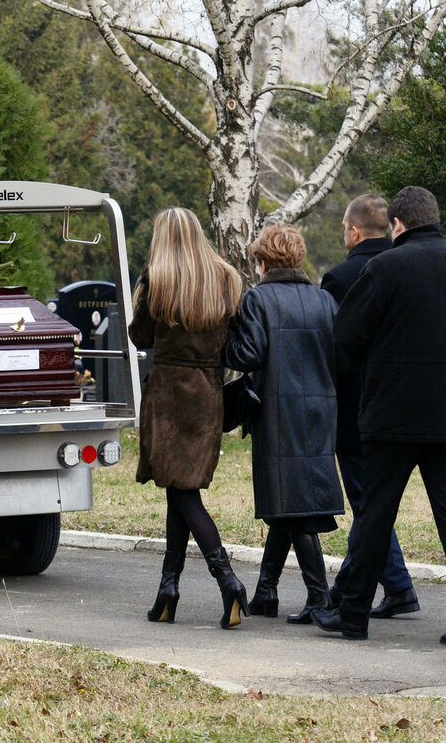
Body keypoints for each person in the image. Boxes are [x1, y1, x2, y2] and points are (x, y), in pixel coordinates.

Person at [312, 186, 446, 646]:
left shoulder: (384, 268)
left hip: (391, 414)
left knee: (375, 515)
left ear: (396, 224)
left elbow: (345, 337)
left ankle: (353, 614)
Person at [129, 206, 248, 629]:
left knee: (183, 492)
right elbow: (235, 333)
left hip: (167, 395)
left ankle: (228, 580)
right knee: (180, 488)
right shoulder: (226, 278)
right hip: (207, 393)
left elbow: (140, 335)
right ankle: (168, 589)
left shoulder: (157, 279)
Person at [225, 225, 344, 624]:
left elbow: (248, 354)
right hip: (321, 410)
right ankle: (266, 592)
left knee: (294, 506)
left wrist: (226, 338)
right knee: (288, 502)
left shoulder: (258, 299)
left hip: (278, 411)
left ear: (263, 261)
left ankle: (319, 597)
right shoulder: (324, 300)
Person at [321, 195, 419, 620]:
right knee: (374, 503)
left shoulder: (341, 278)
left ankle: (378, 587)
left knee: (367, 503)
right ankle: (394, 584)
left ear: (355, 231)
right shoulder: (409, 269)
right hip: (403, 400)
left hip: (354, 405)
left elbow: (336, 346)